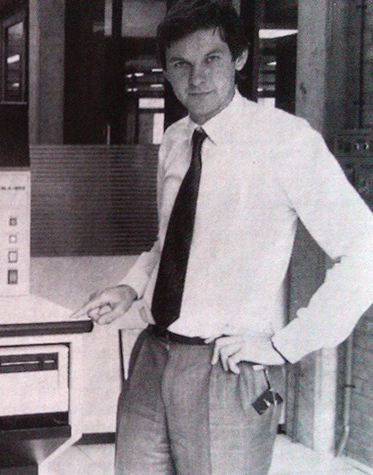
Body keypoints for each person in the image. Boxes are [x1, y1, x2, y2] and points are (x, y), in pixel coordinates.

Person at [70, 1, 373, 474]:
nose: (196, 78)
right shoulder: (175, 139)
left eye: (211, 58)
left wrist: (285, 345)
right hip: (152, 356)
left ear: (240, 58)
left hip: (228, 369)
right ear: (166, 72)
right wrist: (130, 286)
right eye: (180, 64)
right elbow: (168, 242)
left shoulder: (287, 141)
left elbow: (365, 252)